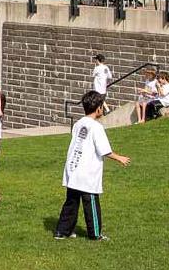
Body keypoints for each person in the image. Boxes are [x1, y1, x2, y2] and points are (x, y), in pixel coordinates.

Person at [55, 91, 131, 241]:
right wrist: (119, 158)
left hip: (73, 168)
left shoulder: (78, 123)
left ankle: (62, 232)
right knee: (91, 203)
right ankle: (95, 234)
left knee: (71, 202)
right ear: (98, 108)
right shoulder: (96, 127)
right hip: (87, 172)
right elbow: (104, 150)